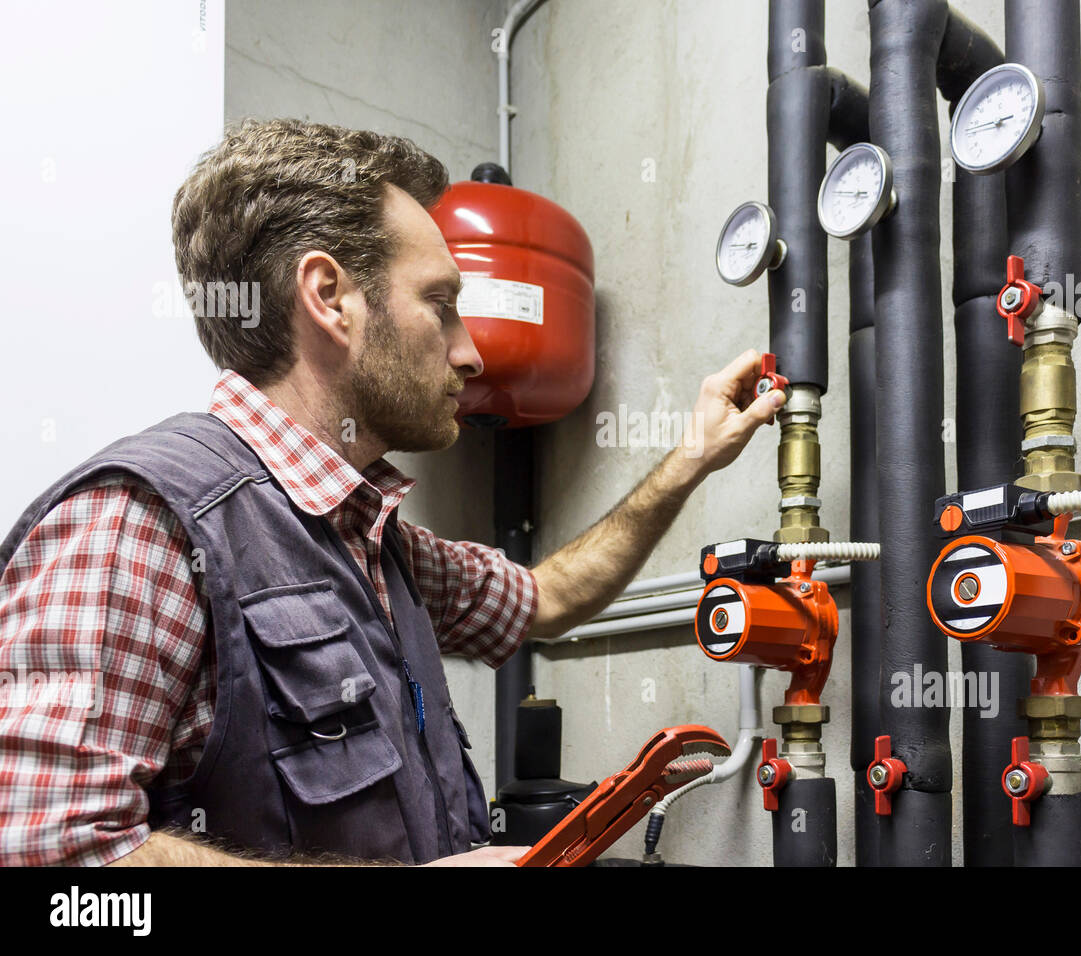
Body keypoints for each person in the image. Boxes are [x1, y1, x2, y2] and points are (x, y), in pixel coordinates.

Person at [0, 119, 786, 867]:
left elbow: (545, 598)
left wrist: (692, 455)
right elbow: (48, 854)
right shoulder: (142, 525)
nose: (470, 353)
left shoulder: (377, 541)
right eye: (442, 307)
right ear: (329, 297)